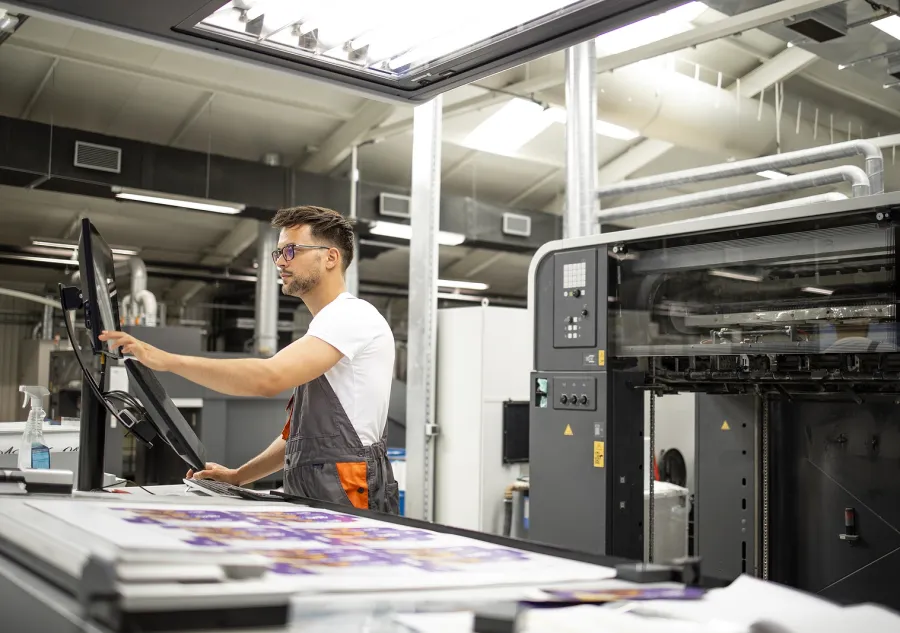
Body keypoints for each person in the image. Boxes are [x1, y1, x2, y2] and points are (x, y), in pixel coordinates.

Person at [100, 205, 399, 513]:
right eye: (279, 253)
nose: (281, 262)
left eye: (292, 250)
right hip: (321, 487)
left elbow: (267, 378)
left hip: (347, 489)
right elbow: (301, 440)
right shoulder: (328, 327)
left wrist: (166, 360)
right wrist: (238, 476)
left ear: (331, 257)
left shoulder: (351, 315)